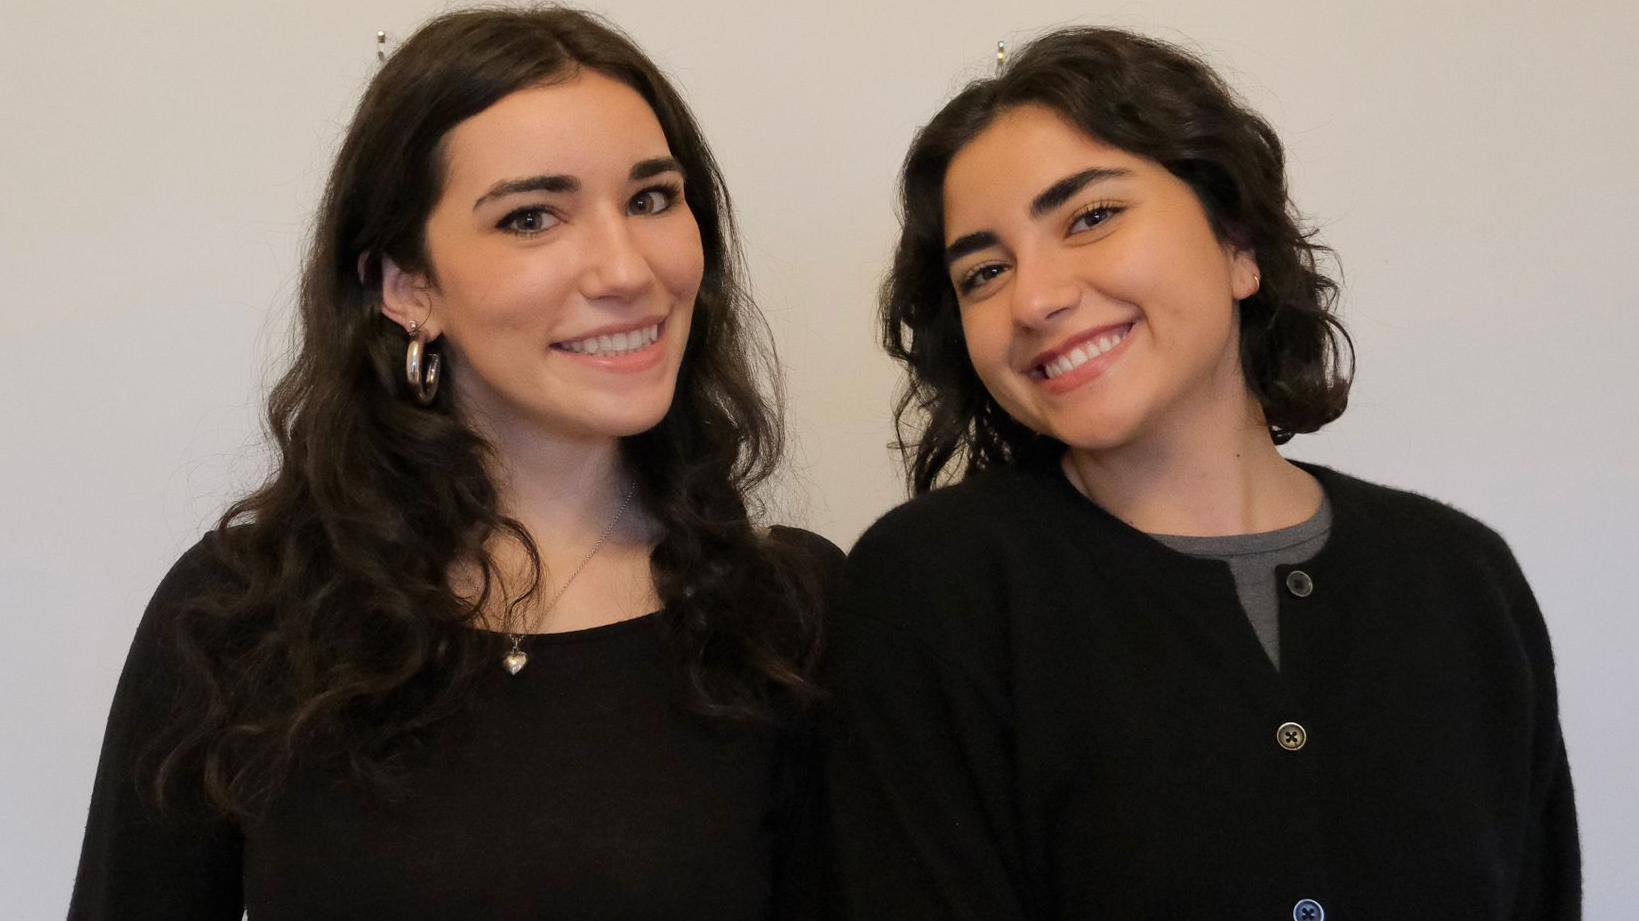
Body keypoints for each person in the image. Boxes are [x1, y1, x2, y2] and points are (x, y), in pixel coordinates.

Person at [70, 8, 835, 919]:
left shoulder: (788, 612)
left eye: (651, 198)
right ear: (407, 287)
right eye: (532, 217)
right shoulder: (240, 614)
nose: (626, 268)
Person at [824, 27, 1579, 921]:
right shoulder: (935, 588)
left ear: (1237, 244)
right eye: (983, 272)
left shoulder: (1462, 578)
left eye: (1090, 217)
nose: (1034, 299)